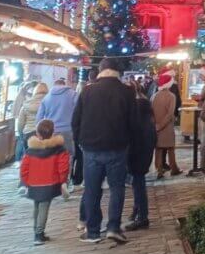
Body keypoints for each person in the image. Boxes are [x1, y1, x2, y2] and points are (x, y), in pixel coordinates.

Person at [72, 57, 135, 244]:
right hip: (117, 147)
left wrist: (80, 142)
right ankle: (113, 227)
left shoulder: (88, 91)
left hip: (91, 148)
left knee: (92, 190)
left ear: (100, 70)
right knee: (117, 188)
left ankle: (92, 230)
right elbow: (133, 122)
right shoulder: (126, 92)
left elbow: (76, 121)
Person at [20, 119, 70, 245]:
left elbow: (24, 168)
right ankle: (39, 234)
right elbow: (63, 167)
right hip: (49, 183)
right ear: (53, 133)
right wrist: (63, 181)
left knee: (37, 206)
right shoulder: (59, 149)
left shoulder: (30, 151)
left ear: (37, 134)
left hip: (33, 184)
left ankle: (37, 230)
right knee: (43, 207)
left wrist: (26, 182)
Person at [125, 82, 156, 231]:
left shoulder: (136, 108)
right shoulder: (144, 105)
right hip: (144, 150)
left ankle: (142, 217)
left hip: (137, 151)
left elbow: (133, 132)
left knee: (138, 184)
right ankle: (138, 211)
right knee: (138, 183)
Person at [37, 78, 77, 189]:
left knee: (52, 157)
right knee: (68, 157)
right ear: (64, 85)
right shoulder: (73, 94)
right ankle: (65, 182)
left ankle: (52, 181)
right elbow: (79, 111)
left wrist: (40, 134)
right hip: (68, 131)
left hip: (51, 133)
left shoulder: (47, 97)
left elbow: (39, 118)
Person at [152, 71, 181, 179]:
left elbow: (151, 112)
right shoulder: (171, 96)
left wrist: (156, 125)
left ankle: (159, 170)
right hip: (167, 127)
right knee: (171, 149)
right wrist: (162, 125)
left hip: (156, 127)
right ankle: (174, 169)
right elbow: (170, 114)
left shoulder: (154, 96)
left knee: (158, 149)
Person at [12, 81, 36, 161]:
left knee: (20, 142)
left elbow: (15, 110)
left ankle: (18, 161)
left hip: (20, 121)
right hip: (23, 123)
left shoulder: (19, 95)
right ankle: (19, 161)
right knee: (21, 142)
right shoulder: (28, 96)